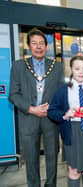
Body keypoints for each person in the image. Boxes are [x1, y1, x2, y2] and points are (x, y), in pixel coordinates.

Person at [9, 28, 64, 187]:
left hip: (50, 119)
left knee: (52, 157)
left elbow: (61, 92)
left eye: (41, 43)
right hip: (28, 119)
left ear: (46, 47)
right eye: (34, 43)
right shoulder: (19, 66)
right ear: (28, 46)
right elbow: (13, 94)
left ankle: (51, 184)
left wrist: (52, 108)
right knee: (31, 160)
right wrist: (32, 109)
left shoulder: (57, 66)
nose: (38, 46)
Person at [47, 55, 83, 187]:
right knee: (74, 170)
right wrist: (65, 115)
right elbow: (51, 111)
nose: (81, 72)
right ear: (71, 69)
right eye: (77, 69)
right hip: (72, 132)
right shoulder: (63, 90)